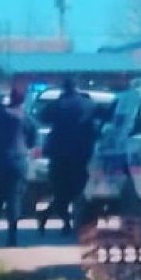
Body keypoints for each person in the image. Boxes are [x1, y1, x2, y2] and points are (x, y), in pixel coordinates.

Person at [0, 88, 36, 247]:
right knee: (14, 199)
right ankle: (12, 238)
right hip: (17, 162)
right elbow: (33, 137)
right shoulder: (22, 116)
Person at [37, 78, 97, 235]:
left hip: (59, 154)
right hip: (81, 154)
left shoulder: (57, 104)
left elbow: (42, 117)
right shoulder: (88, 104)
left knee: (60, 189)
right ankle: (65, 220)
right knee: (77, 189)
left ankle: (60, 219)